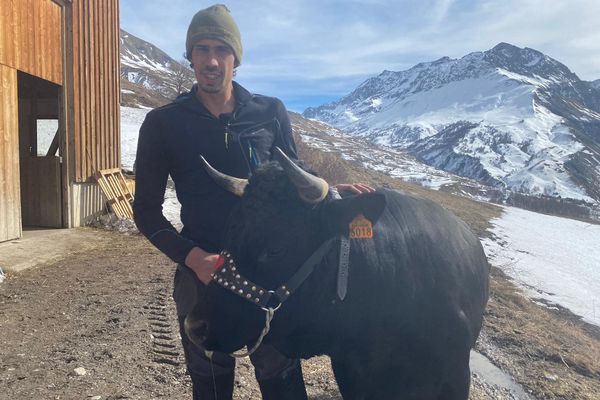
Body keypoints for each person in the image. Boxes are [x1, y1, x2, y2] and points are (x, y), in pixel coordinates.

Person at [133, 4, 372, 399]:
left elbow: (294, 181)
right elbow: (145, 210)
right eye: (202, 49)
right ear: (190, 56)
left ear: (235, 58)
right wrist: (193, 258)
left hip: (267, 273)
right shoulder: (163, 124)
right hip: (203, 269)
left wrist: (334, 192)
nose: (212, 60)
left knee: (281, 377)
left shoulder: (269, 112)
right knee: (210, 381)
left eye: (222, 50)